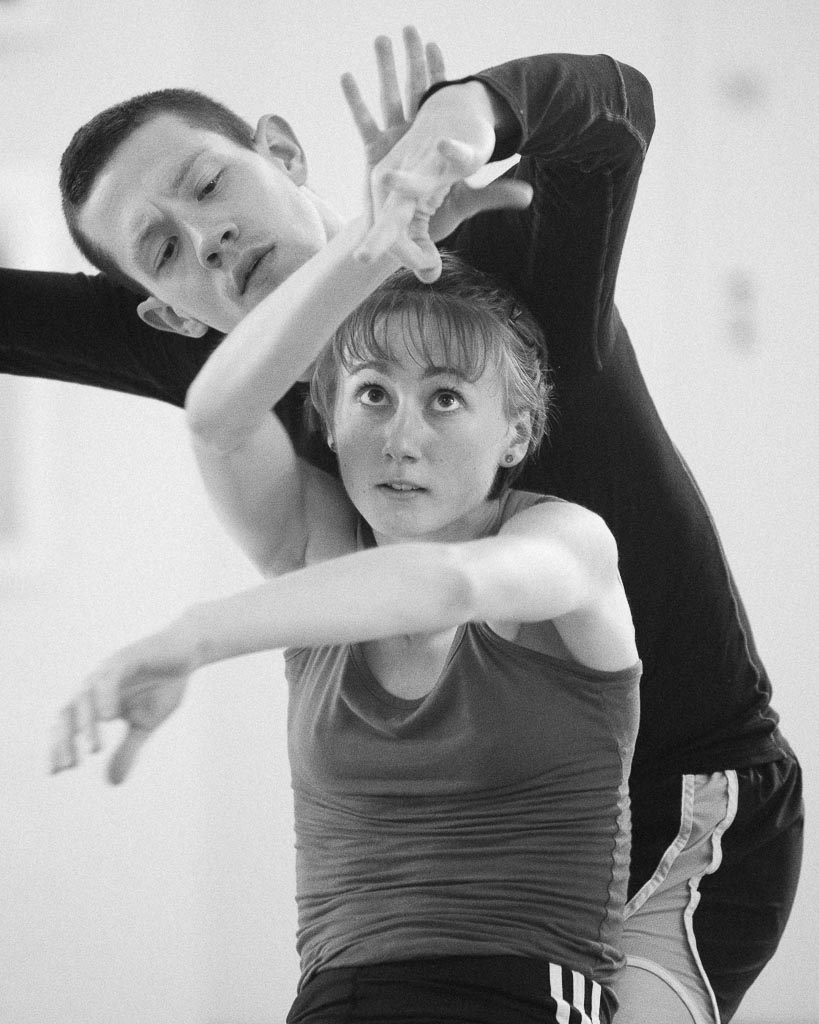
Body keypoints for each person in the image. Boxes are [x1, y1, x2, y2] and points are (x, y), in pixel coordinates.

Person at [4, 28, 803, 1024]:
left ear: (285, 153)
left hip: (676, 793)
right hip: (457, 841)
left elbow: (614, 113)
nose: (203, 236)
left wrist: (465, 116)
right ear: (163, 315)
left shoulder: (506, 280)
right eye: (162, 249)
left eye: (209, 186)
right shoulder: (228, 379)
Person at [53, 214, 644, 1023]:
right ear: (329, 418)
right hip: (336, 1000)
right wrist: (372, 238)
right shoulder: (316, 557)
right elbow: (217, 419)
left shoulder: (567, 545)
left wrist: (192, 636)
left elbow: (447, 585)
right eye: (371, 394)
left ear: (513, 432)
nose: (400, 437)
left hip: (522, 995)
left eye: (444, 399)